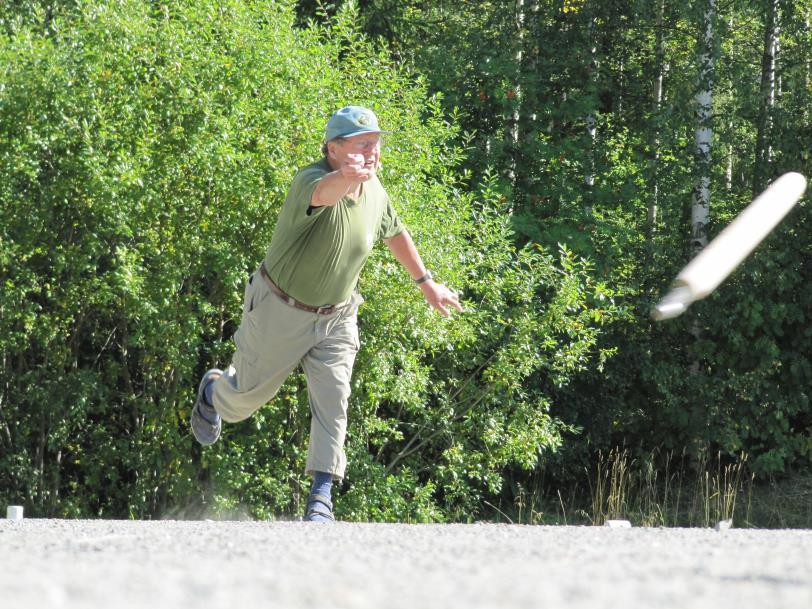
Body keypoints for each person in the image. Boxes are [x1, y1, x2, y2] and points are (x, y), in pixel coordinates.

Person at [190, 105, 462, 522]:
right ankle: (214, 392)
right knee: (245, 400)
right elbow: (324, 195)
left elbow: (395, 232)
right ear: (333, 149)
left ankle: (321, 499)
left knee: (335, 399)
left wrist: (427, 284)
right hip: (280, 308)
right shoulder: (311, 180)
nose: (372, 153)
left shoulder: (376, 192)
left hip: (337, 315)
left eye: (375, 144)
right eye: (361, 145)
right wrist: (346, 177)